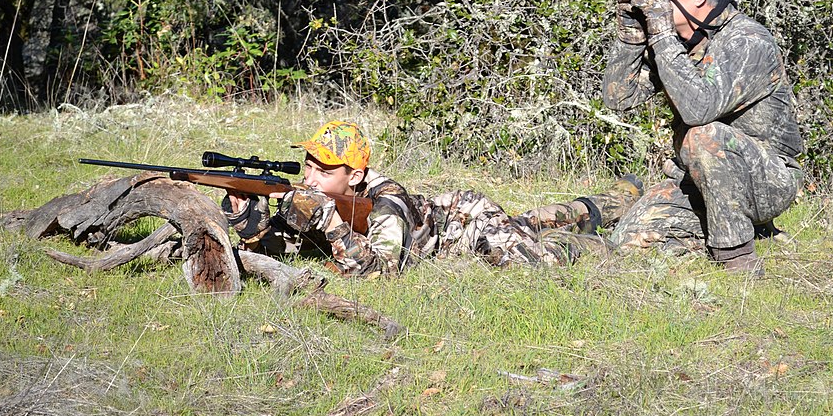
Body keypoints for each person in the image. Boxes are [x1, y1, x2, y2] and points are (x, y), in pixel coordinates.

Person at [602, 0, 804, 275]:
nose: (656, 0)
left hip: (767, 178)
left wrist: (662, 32)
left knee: (702, 135)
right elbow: (618, 99)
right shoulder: (676, 45)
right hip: (701, 180)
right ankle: (737, 234)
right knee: (630, 241)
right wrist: (631, 38)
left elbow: (699, 110)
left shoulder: (747, 40)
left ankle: (737, 259)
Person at [227, 120, 644, 276]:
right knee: (527, 222)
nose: (310, 177)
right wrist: (249, 219)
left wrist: (329, 222)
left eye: (323, 169)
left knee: (527, 258)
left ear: (354, 175)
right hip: (449, 214)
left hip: (466, 222)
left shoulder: (386, 200)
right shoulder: (315, 193)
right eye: (308, 165)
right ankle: (610, 198)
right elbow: (282, 246)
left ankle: (600, 239)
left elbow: (380, 272)